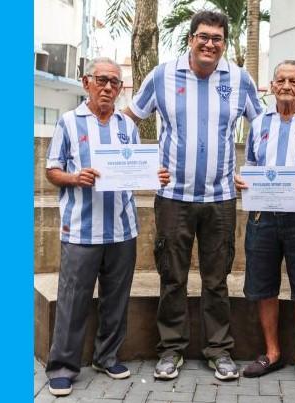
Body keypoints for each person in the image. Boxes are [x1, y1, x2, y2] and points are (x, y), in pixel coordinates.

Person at [123, 10, 262, 380]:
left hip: (220, 199)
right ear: (190, 39)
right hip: (173, 198)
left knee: (217, 280)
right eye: (203, 36)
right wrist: (138, 166)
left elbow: (263, 129)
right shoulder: (163, 75)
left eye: (217, 38)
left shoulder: (239, 79)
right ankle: (171, 350)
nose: (210, 44)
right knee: (173, 277)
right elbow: (128, 121)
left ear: (224, 43)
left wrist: (255, 173)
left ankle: (219, 350)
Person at [44, 57, 170, 396]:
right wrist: (74, 177)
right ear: (86, 83)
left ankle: (106, 356)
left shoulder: (127, 127)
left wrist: (151, 176)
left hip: (121, 228)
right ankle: (63, 367)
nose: (109, 87)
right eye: (102, 80)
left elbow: (132, 170)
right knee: (73, 299)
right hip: (81, 230)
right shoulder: (69, 123)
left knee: (116, 298)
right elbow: (52, 170)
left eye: (115, 82)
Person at [234, 60, 295, 388]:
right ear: (272, 86)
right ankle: (272, 352)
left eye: (294, 80)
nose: (286, 85)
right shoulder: (259, 123)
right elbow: (250, 164)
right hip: (262, 217)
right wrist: (242, 181)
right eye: (280, 80)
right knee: (264, 287)